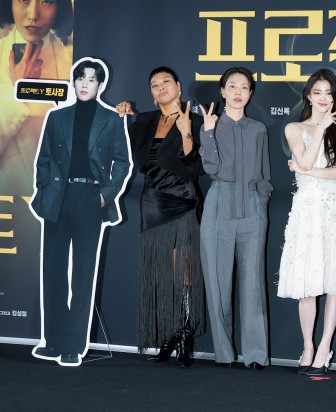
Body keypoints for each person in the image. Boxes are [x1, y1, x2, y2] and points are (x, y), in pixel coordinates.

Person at [30, 58, 131, 366]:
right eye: (80, 78)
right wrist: (46, 187)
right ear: (74, 82)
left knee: (83, 274)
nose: (85, 84)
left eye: (92, 79)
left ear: (100, 85)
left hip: (90, 198)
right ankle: (53, 342)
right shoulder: (56, 116)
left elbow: (123, 162)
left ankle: (74, 344)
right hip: (57, 198)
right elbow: (44, 159)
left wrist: (105, 195)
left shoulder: (111, 119)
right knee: (53, 272)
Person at [116, 67, 206, 367]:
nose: (161, 87)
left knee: (184, 272)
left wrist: (186, 132)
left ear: (178, 86)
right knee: (161, 273)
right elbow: (124, 150)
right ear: (152, 93)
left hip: (183, 200)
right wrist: (122, 114)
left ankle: (184, 335)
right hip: (153, 202)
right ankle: (168, 333)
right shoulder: (144, 121)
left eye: (166, 81)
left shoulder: (196, 120)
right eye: (154, 84)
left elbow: (197, 167)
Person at [278, 69, 336, 376]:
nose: (324, 98)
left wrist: (306, 171)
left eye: (329, 93)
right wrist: (321, 128)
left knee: (335, 281)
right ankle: (308, 346)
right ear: (308, 96)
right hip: (307, 210)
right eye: (317, 92)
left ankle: (324, 347)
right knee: (307, 283)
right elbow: (307, 159)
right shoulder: (294, 128)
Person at [199, 67, 272, 371]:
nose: (238, 92)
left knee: (253, 281)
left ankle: (256, 355)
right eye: (232, 86)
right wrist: (208, 132)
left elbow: (265, 173)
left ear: (251, 93)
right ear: (222, 91)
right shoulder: (211, 125)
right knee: (217, 281)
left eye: (244, 87)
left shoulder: (258, 129)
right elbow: (211, 168)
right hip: (220, 202)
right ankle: (224, 353)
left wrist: (261, 202)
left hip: (252, 205)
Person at [0, 0, 73, 193]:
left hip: (55, 193)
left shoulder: (72, 62)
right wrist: (20, 89)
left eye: (46, 1)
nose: (33, 14)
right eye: (24, 0)